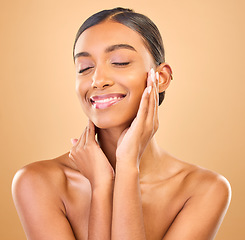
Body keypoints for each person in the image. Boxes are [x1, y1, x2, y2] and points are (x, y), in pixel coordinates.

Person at [12, 7, 231, 240]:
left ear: (161, 78)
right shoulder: (37, 182)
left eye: (120, 62)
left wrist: (127, 167)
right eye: (84, 68)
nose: (98, 80)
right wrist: (101, 186)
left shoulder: (204, 189)